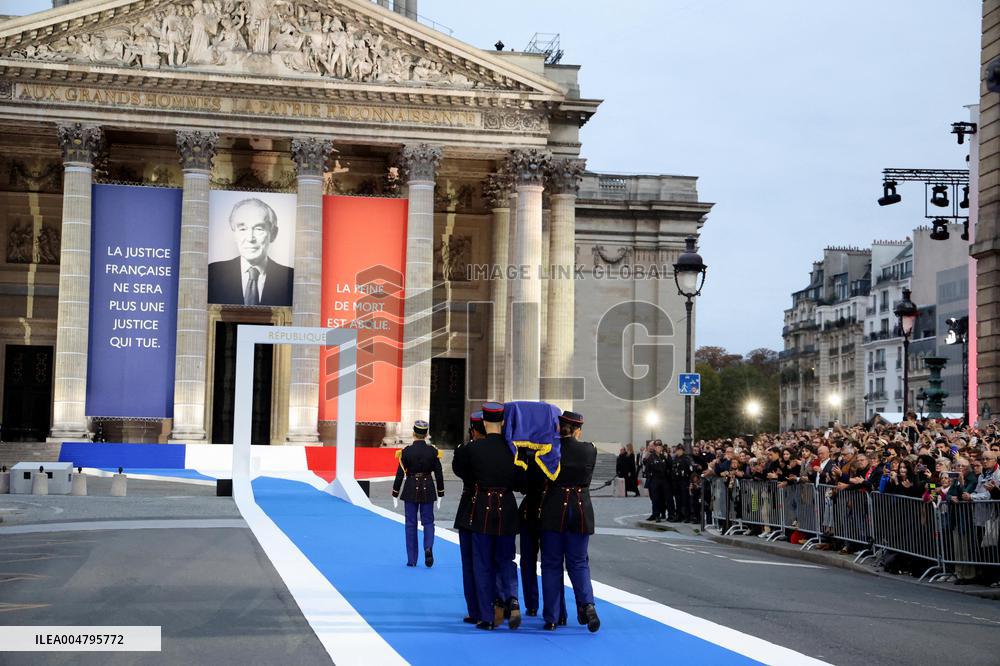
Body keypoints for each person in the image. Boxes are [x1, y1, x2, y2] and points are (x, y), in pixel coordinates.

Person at [539, 410, 600, 632]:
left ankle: (553, 617)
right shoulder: (590, 450)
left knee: (552, 564)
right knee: (579, 562)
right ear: (578, 430)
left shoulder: (549, 452)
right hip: (580, 509)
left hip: (555, 509)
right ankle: (588, 605)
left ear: (559, 428)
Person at [466, 402, 524, 630]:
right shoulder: (514, 450)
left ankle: (489, 615)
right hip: (507, 508)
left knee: (483, 563)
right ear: (502, 422)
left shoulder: (473, 449)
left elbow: (465, 474)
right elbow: (521, 483)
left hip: (482, 507)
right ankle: (511, 597)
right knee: (506, 559)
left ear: (483, 423)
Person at [208, 197, 294, 306]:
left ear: (273, 234)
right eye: (243, 229)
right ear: (234, 233)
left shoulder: (291, 279)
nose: (250, 238)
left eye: (259, 229)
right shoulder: (212, 274)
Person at [391, 420, 444, 568]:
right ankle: (428, 547)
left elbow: (400, 474)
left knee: (410, 524)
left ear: (414, 433)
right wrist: (440, 493)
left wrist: (395, 492)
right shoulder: (433, 451)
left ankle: (412, 560)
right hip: (427, 485)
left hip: (411, 486)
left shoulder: (406, 451)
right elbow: (439, 474)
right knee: (428, 522)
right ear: (426, 434)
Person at [452, 411, 485, 623]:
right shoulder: (509, 450)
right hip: (501, 511)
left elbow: (458, 470)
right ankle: (500, 605)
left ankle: (475, 610)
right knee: (496, 562)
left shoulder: (465, 451)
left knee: (471, 563)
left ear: (473, 430)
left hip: (470, 509)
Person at [644, 441, 669, 522]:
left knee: (662, 498)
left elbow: (666, 467)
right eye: (657, 447)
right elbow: (648, 469)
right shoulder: (651, 457)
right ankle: (655, 514)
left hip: (663, 480)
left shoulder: (663, 457)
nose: (659, 448)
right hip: (654, 480)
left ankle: (662, 513)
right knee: (655, 498)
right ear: (655, 448)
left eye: (660, 447)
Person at [670, 445, 694, 523]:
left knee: (685, 500)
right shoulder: (674, 459)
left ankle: (687, 516)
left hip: (684, 481)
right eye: (677, 450)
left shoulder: (686, 459)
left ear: (683, 451)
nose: (678, 452)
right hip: (676, 482)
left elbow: (690, 470)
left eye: (680, 450)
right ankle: (678, 515)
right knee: (678, 500)